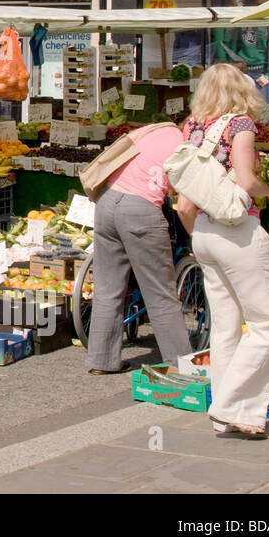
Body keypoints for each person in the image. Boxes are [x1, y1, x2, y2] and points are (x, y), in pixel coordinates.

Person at [173, 63, 269, 438]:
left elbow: (184, 201)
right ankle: (228, 407)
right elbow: (247, 181)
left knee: (225, 328)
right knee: (268, 325)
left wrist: (198, 235)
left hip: (204, 232)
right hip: (237, 232)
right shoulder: (240, 125)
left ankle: (234, 413)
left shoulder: (192, 126)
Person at [85, 122, 192, 375]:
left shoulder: (153, 130)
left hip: (106, 200)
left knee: (108, 288)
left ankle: (101, 362)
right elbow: (184, 198)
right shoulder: (185, 145)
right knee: (160, 291)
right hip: (140, 209)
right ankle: (180, 364)